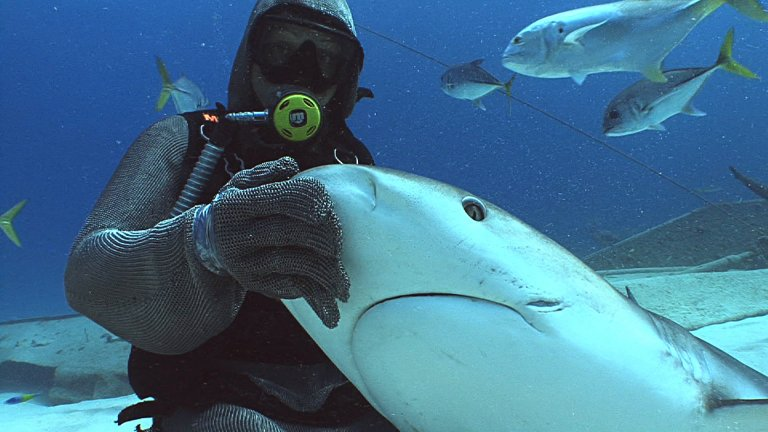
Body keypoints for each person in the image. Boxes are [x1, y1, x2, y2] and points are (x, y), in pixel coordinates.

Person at [64, 0, 398, 431]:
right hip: (213, 389)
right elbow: (88, 273)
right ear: (249, 56)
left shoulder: (353, 163)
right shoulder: (183, 140)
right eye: (281, 49)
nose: (302, 72)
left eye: (326, 59)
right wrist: (208, 240)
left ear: (346, 80)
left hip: (346, 388)